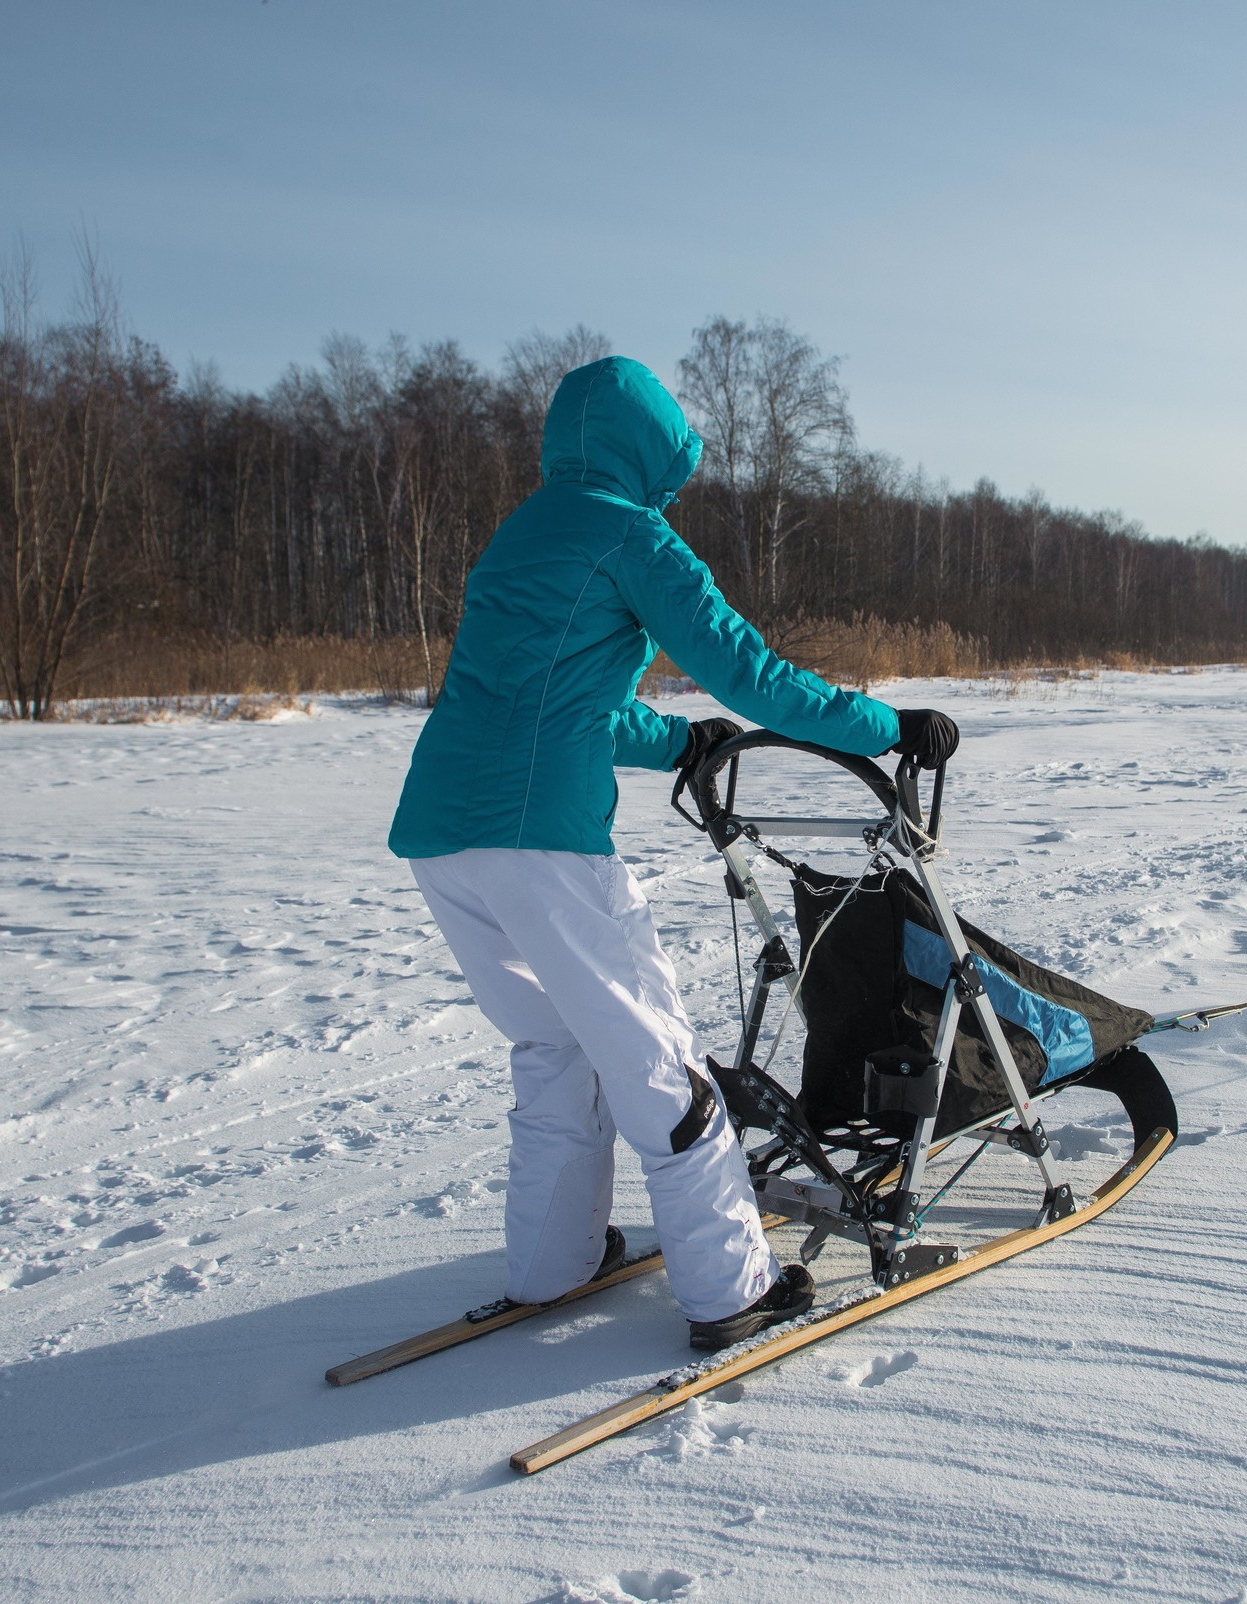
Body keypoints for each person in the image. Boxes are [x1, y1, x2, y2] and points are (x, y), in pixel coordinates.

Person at [388, 356, 958, 1351]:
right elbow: (752, 673)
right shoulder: (632, 533)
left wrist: (673, 741)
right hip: (543, 843)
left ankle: (552, 1260)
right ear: (649, 446)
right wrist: (886, 724)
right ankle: (727, 1285)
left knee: (554, 1045)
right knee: (655, 1059)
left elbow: (551, 707)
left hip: (445, 834)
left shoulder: (520, 535)